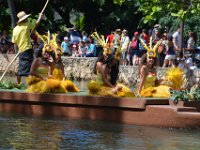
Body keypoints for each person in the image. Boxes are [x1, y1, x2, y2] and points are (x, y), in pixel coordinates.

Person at [88, 32, 135, 97]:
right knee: (115, 92)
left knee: (126, 91)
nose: (115, 62)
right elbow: (104, 80)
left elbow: (111, 80)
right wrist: (113, 87)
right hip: (101, 87)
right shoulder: (104, 66)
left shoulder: (112, 66)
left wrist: (116, 85)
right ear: (111, 58)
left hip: (108, 85)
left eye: (117, 61)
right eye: (114, 60)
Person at [12, 11, 43, 84]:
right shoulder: (27, 25)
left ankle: (18, 84)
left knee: (21, 69)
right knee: (31, 69)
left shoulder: (15, 29)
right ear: (24, 19)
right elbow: (36, 24)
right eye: (26, 18)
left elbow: (14, 42)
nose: (27, 18)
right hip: (27, 49)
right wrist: (40, 17)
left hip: (21, 51)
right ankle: (31, 85)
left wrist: (17, 51)